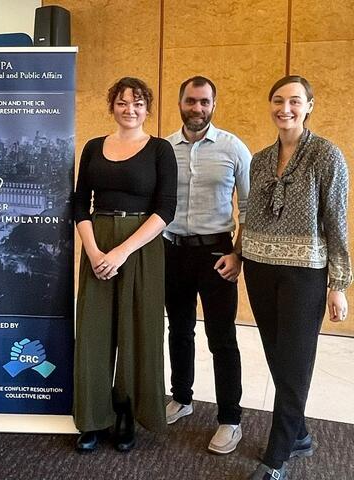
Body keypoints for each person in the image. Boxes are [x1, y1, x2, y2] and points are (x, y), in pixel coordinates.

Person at [242, 75, 351, 480]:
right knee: (276, 356)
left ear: (309, 106)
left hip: (305, 274)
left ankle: (276, 458)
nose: (284, 108)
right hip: (257, 267)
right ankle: (300, 433)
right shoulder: (259, 159)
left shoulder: (327, 155)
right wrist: (238, 256)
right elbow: (251, 213)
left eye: (293, 101)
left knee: (296, 360)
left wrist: (338, 284)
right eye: (277, 100)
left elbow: (336, 223)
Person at [73, 77, 177, 452]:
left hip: (141, 247)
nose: (129, 109)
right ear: (112, 107)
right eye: (121, 103)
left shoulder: (161, 150)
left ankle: (126, 414)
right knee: (94, 331)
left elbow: (166, 209)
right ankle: (92, 417)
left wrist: (121, 252)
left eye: (137, 103)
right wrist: (94, 251)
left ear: (147, 108)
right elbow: (79, 202)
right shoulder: (93, 148)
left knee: (138, 332)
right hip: (97, 241)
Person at [163, 76, 251, 454]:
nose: (196, 108)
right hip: (172, 251)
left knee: (221, 337)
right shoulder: (164, 148)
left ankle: (230, 419)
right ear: (180, 103)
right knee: (179, 331)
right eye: (190, 101)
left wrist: (238, 254)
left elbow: (249, 210)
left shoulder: (234, 148)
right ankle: (182, 399)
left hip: (218, 254)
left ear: (213, 105)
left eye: (204, 102)